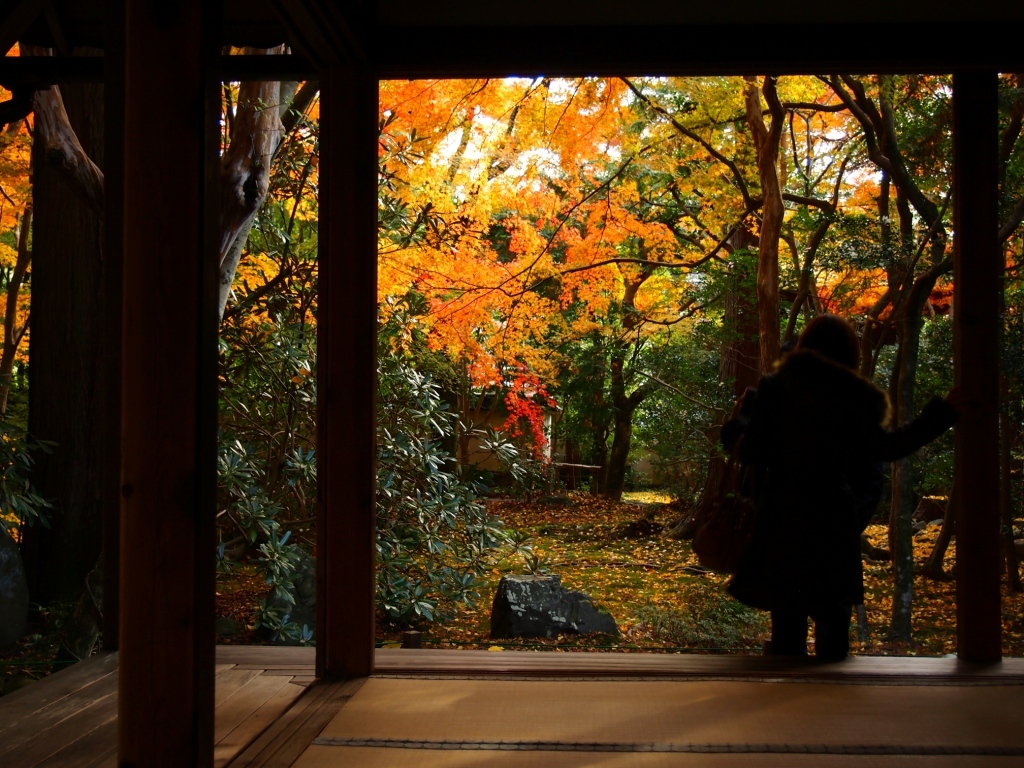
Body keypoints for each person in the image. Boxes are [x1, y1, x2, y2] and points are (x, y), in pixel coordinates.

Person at [723, 315, 959, 661]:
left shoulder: (776, 390)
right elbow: (889, 448)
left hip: (783, 516)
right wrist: (944, 411)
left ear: (804, 347)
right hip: (832, 518)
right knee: (834, 628)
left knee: (787, 626)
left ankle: (782, 705)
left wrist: (741, 419)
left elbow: (751, 450)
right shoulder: (857, 398)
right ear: (851, 353)